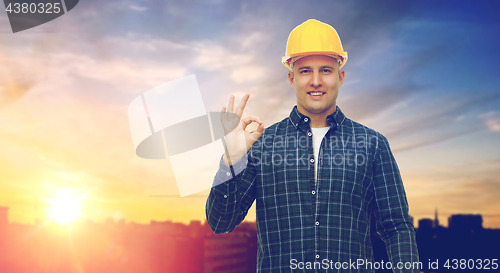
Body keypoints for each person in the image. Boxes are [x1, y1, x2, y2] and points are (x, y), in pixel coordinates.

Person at [206, 19, 419, 273]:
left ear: (340, 77)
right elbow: (221, 222)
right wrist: (231, 160)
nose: (316, 81)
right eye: (305, 70)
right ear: (291, 78)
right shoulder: (263, 146)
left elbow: (396, 227)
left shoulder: (372, 145)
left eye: (326, 71)